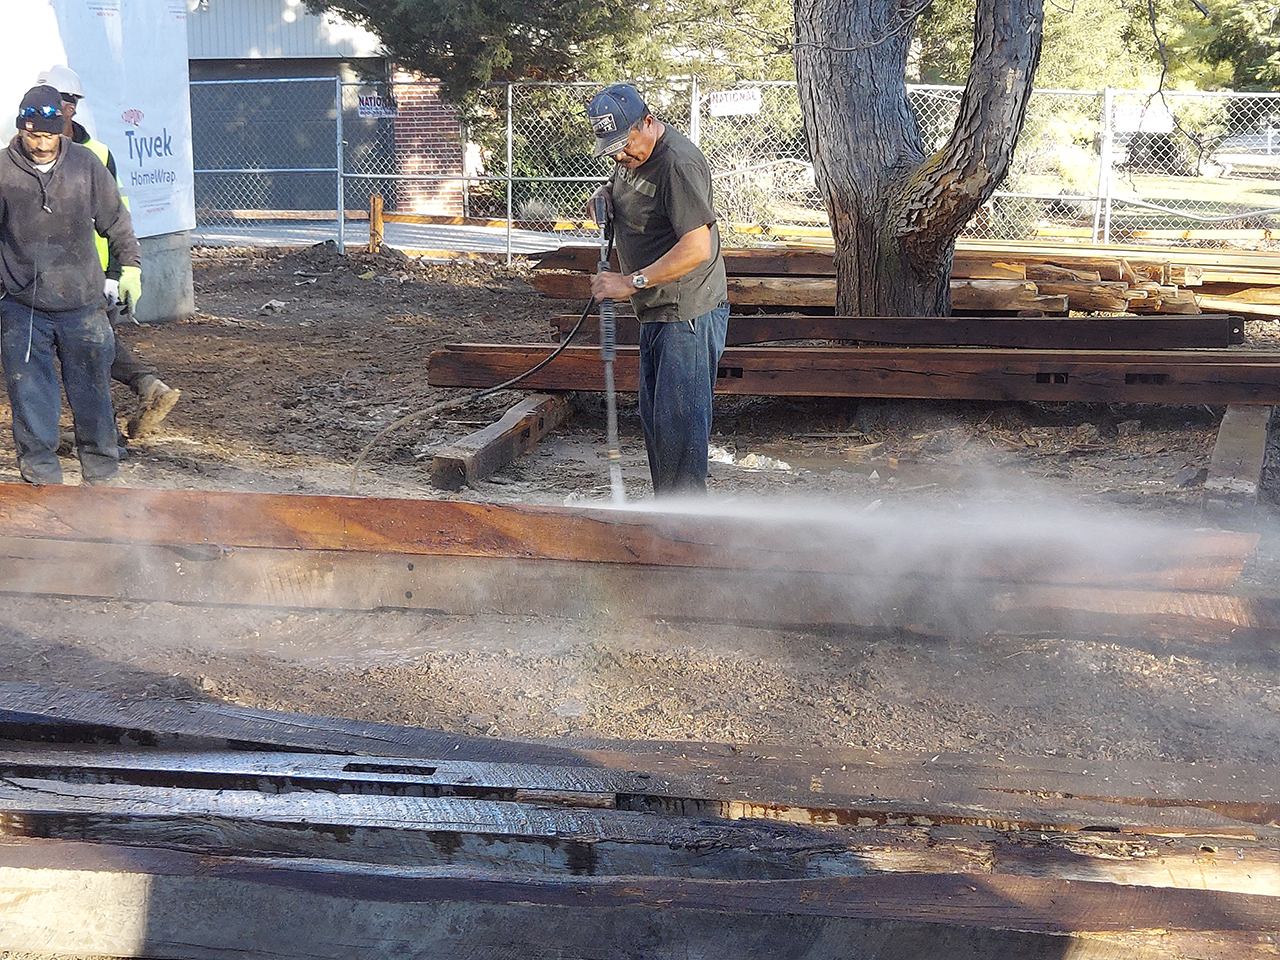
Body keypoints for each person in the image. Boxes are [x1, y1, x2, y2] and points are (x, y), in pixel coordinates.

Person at [586, 83, 730, 495]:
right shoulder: (631, 156)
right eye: (611, 148)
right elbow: (626, 190)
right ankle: (667, 519)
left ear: (647, 122)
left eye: (624, 145)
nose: (619, 156)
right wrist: (605, 196)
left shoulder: (678, 164)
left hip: (687, 313)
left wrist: (628, 283)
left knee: (680, 428)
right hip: (656, 309)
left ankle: (684, 533)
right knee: (659, 422)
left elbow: (696, 247)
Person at [0, 85, 141, 485]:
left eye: (48, 134)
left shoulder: (85, 165)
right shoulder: (3, 171)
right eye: (33, 135)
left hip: (82, 302)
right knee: (31, 398)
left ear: (60, 129)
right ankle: (43, 483)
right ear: (21, 129)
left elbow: (116, 222)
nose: (41, 143)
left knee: (93, 394)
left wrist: (127, 270)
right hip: (22, 305)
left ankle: (102, 480)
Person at [38, 65, 180, 441]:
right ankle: (143, 393)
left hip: (91, 272)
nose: (54, 111)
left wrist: (119, 272)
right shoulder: (23, 153)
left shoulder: (95, 154)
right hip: (46, 272)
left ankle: (108, 434)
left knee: (87, 352)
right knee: (92, 348)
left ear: (72, 107)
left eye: (63, 102)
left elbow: (118, 216)